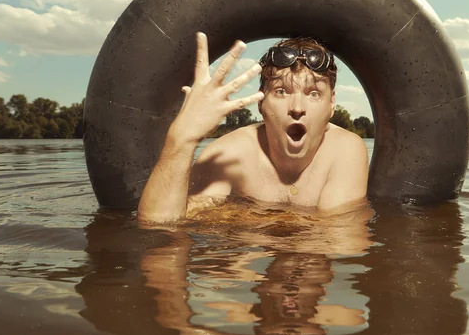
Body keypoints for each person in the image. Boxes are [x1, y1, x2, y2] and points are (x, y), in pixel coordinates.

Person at [138, 32, 368, 223]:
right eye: (281, 91)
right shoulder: (229, 155)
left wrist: (241, 216)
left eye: (314, 93)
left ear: (332, 104)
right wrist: (181, 139)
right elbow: (159, 229)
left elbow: (339, 241)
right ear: (261, 103)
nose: (297, 107)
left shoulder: (345, 150)